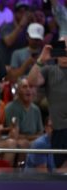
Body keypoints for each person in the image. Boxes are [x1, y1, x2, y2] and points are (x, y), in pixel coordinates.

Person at [27, 37, 67, 169]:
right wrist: (41, 60)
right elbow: (31, 81)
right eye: (61, 48)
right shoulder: (49, 70)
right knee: (61, 170)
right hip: (59, 130)